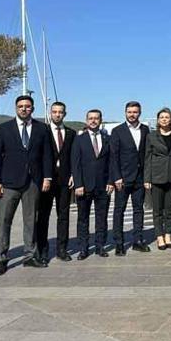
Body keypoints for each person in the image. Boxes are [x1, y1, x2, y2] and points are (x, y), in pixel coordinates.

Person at [0, 95, 53, 275]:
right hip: (9, 183)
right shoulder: (4, 129)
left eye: (27, 106)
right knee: (4, 221)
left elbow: (47, 154)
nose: (24, 109)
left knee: (30, 221)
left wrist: (47, 177)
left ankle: (30, 256)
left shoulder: (42, 128)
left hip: (33, 182)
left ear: (32, 108)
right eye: (20, 106)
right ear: (15, 108)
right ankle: (1, 259)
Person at [36, 101, 76, 264]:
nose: (57, 114)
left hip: (65, 180)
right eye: (54, 112)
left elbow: (74, 156)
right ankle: (42, 250)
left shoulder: (71, 133)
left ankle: (62, 249)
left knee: (63, 216)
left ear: (65, 114)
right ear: (50, 113)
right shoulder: (42, 131)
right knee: (43, 216)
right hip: (46, 179)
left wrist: (73, 174)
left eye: (60, 112)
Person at [110, 101, 150, 255]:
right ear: (125, 113)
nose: (132, 114)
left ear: (139, 113)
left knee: (138, 210)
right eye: (129, 112)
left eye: (135, 112)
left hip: (140, 178)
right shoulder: (117, 131)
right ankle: (119, 243)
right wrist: (117, 177)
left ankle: (137, 240)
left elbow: (146, 154)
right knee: (119, 210)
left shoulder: (145, 130)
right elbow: (114, 157)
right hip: (123, 179)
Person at [72, 109, 113, 259]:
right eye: (91, 118)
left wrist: (111, 181)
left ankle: (100, 246)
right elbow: (75, 164)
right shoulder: (79, 139)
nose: (93, 121)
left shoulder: (107, 138)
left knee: (101, 218)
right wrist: (78, 184)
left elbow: (111, 162)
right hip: (84, 186)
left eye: (96, 118)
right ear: (86, 120)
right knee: (83, 218)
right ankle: (83, 248)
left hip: (103, 186)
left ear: (101, 120)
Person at [144, 107, 171, 250]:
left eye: (167, 117)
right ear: (158, 120)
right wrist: (147, 179)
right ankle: (159, 236)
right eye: (162, 117)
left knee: (169, 209)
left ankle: (168, 234)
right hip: (156, 176)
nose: (164, 119)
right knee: (157, 210)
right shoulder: (151, 136)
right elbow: (147, 158)